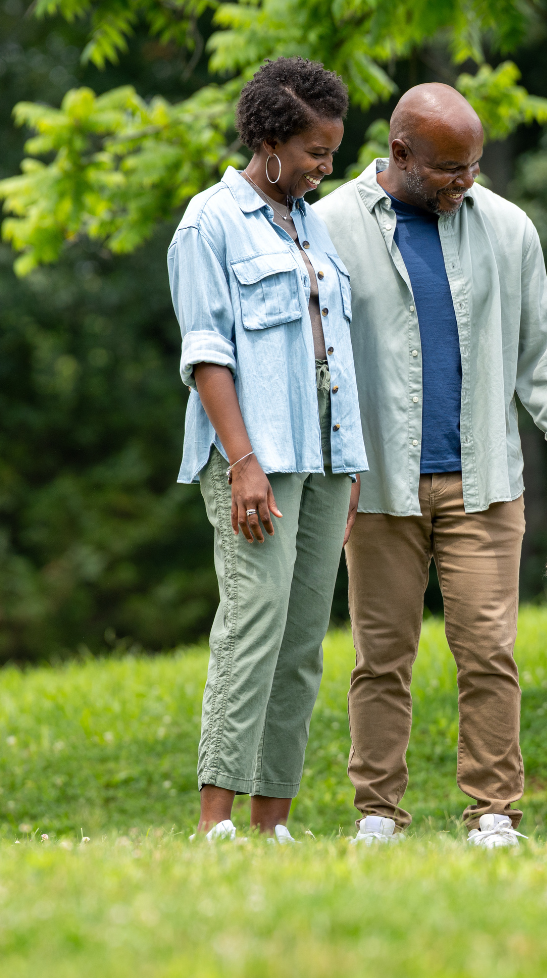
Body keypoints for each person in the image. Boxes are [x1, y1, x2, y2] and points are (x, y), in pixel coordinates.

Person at [313, 83, 547, 847]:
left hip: (484, 483)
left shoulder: (507, 228)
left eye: (472, 165)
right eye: (447, 168)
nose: (465, 181)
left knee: (489, 653)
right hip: (375, 488)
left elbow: (542, 341)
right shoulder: (330, 225)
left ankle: (494, 812)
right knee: (380, 657)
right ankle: (377, 812)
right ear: (399, 153)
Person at [170, 57, 366, 842]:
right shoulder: (209, 221)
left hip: (323, 464)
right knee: (252, 626)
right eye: (317, 152)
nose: (328, 167)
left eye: (332, 152)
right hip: (256, 463)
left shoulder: (309, 221)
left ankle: (270, 822)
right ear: (270, 141)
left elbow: (335, 349)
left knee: (301, 644)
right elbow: (207, 353)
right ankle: (215, 822)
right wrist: (244, 462)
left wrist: (349, 463)